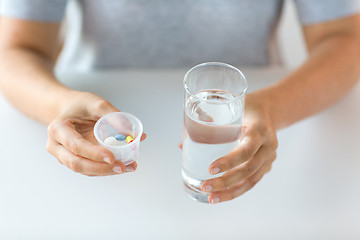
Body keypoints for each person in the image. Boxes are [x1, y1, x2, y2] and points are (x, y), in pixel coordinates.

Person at [0, 0, 359, 204]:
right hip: (101, 144)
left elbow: (345, 39)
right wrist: (59, 103)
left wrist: (272, 106)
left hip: (249, 132)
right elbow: (14, 50)